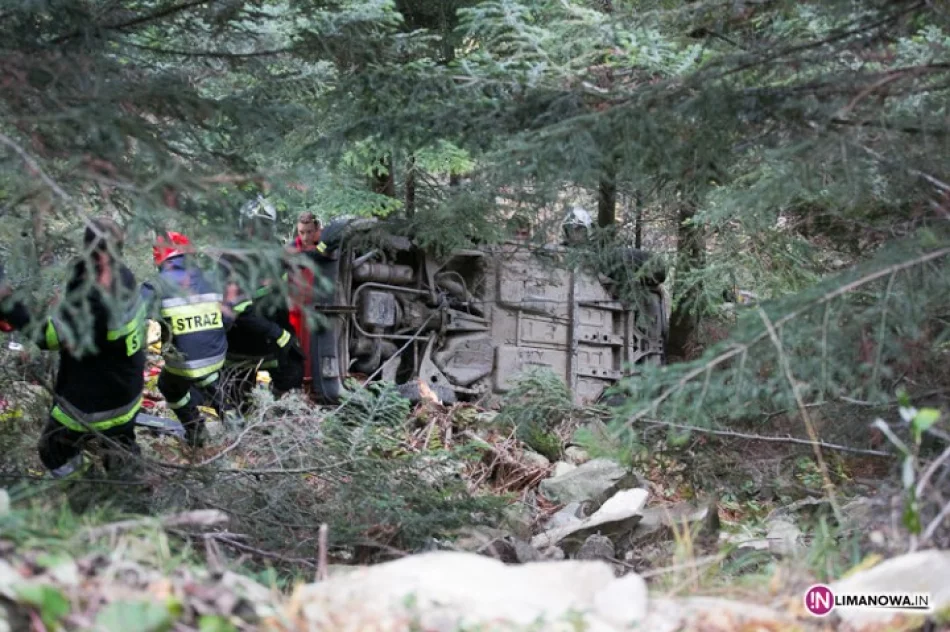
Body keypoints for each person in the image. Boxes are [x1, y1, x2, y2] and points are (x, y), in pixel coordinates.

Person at [0, 217, 147, 480]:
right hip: (128, 389)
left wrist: (9, 303)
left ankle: (85, 491)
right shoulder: (123, 275)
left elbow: (49, 338)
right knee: (119, 447)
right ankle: (131, 492)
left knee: (52, 449)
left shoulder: (94, 295)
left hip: (94, 399)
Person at [218, 197, 304, 415]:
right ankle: (241, 429)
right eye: (253, 225)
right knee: (238, 396)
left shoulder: (275, 254)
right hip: (241, 340)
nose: (258, 231)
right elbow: (236, 308)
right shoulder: (231, 258)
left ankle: (280, 421)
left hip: (274, 337)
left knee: (293, 371)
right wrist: (276, 332)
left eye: (264, 226)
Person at [145, 231, 229, 448]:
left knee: (168, 385)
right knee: (214, 386)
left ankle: (195, 430)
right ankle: (237, 428)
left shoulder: (157, 283)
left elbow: (132, 315)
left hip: (183, 360)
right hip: (217, 354)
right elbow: (228, 316)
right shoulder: (210, 277)